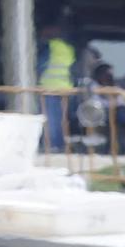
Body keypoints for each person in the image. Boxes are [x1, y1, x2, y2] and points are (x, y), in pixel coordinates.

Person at [37, 17, 76, 150]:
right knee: (61, 120)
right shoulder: (67, 48)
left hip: (49, 88)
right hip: (65, 89)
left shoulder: (48, 46)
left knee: (51, 120)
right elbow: (73, 70)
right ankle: (59, 146)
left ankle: (52, 147)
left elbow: (39, 65)